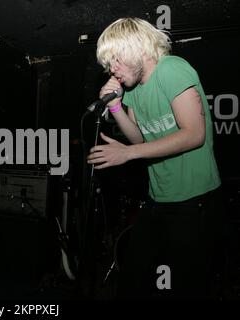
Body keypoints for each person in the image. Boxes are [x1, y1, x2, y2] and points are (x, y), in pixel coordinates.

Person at [87, 17, 223, 299]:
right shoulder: (134, 90)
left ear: (135, 47)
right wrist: (115, 107)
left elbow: (194, 134)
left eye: (115, 60)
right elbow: (140, 138)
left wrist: (127, 153)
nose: (112, 70)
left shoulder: (171, 69)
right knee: (133, 279)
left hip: (194, 199)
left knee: (189, 286)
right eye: (108, 65)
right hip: (158, 198)